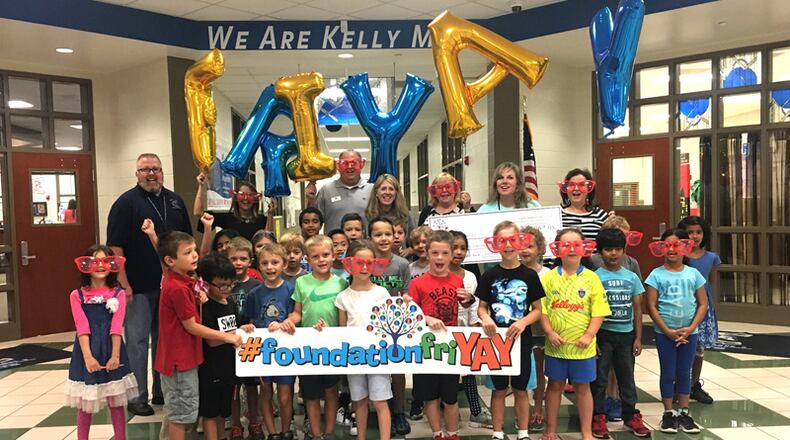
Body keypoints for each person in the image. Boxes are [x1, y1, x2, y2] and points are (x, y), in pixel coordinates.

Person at [107, 153, 192, 416]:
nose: (151, 174)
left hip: (171, 286)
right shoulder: (126, 203)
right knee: (138, 340)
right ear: (137, 174)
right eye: (145, 170)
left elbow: (187, 241)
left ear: (162, 172)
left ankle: (160, 390)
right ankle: (137, 396)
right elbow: (115, 247)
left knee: (164, 339)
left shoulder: (175, 201)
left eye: (155, 169)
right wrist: (123, 284)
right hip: (138, 286)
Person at [154, 231, 242, 440]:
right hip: (179, 361)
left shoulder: (185, 282)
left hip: (188, 358)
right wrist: (226, 336)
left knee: (187, 411)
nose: (194, 255)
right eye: (187, 252)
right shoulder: (177, 287)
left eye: (194, 250)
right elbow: (191, 326)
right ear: (170, 260)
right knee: (180, 415)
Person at [476, 222, 545, 440]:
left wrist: (523, 322)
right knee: (498, 389)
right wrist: (486, 317)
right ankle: (497, 432)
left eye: (512, 240)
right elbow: (481, 307)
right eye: (502, 241)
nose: (508, 245)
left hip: (521, 341)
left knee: (520, 389)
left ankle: (523, 433)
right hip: (496, 341)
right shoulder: (489, 275)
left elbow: (538, 310)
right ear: (495, 245)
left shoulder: (530, 275)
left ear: (520, 242)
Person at [540, 228, 610, 440]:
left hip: (583, 348)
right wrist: (549, 332)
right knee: (554, 386)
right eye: (566, 245)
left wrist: (589, 335)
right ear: (557, 249)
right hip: (556, 347)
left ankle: (586, 432)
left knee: (583, 388)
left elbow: (599, 312)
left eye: (576, 245)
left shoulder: (592, 278)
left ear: (584, 249)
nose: (571, 249)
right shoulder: (548, 278)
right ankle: (551, 430)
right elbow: (541, 310)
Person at [67, 245, 138, 440]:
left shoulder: (118, 294)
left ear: (113, 265)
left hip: (111, 348)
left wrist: (115, 355)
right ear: (85, 265)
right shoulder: (77, 295)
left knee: (116, 401)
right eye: (94, 261)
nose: (100, 265)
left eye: (105, 261)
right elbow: (82, 327)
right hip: (86, 350)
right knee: (86, 403)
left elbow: (116, 327)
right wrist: (88, 357)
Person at [406, 230, 471, 440]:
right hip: (425, 347)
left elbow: (465, 305)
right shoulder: (418, 282)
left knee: (450, 398)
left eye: (444, 253)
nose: (440, 258)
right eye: (435, 253)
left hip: (449, 347)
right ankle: (437, 434)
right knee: (430, 397)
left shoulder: (457, 281)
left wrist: (468, 299)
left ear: (452, 255)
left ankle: (452, 434)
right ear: (427, 254)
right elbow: (411, 313)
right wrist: (426, 318)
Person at [284, 235, 349, 440]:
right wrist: (288, 321)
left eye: (325, 255)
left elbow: (344, 317)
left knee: (331, 391)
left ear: (333, 256)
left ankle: (329, 433)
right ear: (308, 259)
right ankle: (316, 434)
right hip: (308, 347)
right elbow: (298, 313)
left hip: (333, 346)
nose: (321, 260)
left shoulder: (341, 283)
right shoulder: (301, 282)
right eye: (315, 256)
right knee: (311, 394)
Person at [645, 229, 708, 434]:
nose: (672, 249)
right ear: (661, 248)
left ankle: (684, 412)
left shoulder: (693, 274)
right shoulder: (656, 275)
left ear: (685, 247)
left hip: (690, 333)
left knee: (684, 372)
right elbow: (651, 306)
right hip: (665, 334)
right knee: (668, 372)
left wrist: (690, 329)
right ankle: (668, 413)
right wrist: (667, 330)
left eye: (676, 245)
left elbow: (702, 304)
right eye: (667, 245)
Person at [590, 228, 651, 439]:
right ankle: (598, 416)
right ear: (600, 252)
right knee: (599, 380)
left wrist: (638, 338)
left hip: (626, 336)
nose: (613, 253)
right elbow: (590, 310)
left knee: (627, 379)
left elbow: (638, 309)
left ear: (624, 250)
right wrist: (593, 338)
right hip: (603, 336)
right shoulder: (594, 277)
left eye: (617, 249)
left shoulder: (632, 277)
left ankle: (630, 415)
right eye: (608, 249)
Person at [335, 240, 393, 440]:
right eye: (359, 263)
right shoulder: (343, 297)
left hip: (378, 356)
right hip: (354, 356)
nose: (365, 268)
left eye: (369, 263)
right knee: (359, 400)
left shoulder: (382, 293)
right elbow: (342, 330)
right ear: (349, 264)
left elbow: (389, 325)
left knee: (380, 401)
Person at [241, 243, 296, 440]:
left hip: (286, 351)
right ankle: (272, 433)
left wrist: (286, 323)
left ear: (284, 264)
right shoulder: (254, 294)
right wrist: (248, 327)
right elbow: (249, 320)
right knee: (265, 392)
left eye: (275, 262)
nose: (270, 267)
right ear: (258, 266)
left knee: (285, 395)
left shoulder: (291, 290)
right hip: (263, 352)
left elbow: (295, 316)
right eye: (265, 263)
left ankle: (286, 430)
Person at [196, 253, 251, 440]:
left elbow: (235, 329)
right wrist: (233, 335)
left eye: (230, 284)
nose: (227, 289)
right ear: (206, 284)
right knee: (210, 412)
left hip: (228, 367)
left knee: (222, 411)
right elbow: (210, 340)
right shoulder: (205, 307)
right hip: (210, 368)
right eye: (222, 286)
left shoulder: (230, 302)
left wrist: (243, 329)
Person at [367, 216, 412, 436]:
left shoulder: (402, 264)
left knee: (397, 369)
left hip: (395, 325)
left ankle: (398, 411)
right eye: (378, 234)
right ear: (370, 237)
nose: (384, 238)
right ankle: (375, 410)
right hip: (369, 324)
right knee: (373, 369)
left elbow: (406, 293)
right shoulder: (366, 263)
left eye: (388, 234)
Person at [449, 230, 492, 429]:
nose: (458, 252)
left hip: (465, 331)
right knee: (446, 374)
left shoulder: (471, 277)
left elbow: (475, 307)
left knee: (468, 372)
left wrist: (475, 328)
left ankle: (475, 412)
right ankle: (448, 410)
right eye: (454, 248)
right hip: (443, 332)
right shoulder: (438, 274)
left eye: (463, 248)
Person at [677, 215, 721, 405]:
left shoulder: (712, 258)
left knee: (698, 349)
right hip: (682, 308)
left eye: (698, 232)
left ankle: (694, 384)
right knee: (680, 346)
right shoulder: (679, 257)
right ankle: (679, 384)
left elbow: (710, 282)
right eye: (689, 232)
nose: (694, 236)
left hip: (702, 309)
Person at [226, 237, 263, 440]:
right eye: (233, 259)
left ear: (250, 261)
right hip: (228, 342)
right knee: (234, 386)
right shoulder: (223, 285)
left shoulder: (257, 285)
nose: (238, 263)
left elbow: (260, 312)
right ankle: (235, 423)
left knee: (251, 385)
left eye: (242, 258)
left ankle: (254, 421)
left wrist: (252, 325)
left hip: (250, 342)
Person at [518, 225, 550, 433]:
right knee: (521, 372)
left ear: (540, 249)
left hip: (540, 330)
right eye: (521, 245)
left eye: (530, 246)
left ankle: (538, 408)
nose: (525, 250)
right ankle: (523, 409)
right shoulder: (514, 271)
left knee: (538, 370)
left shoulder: (547, 274)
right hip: (519, 330)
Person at [307, 150, 374, 233]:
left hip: (364, 241)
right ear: (338, 165)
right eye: (345, 163)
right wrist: (310, 200)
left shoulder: (372, 190)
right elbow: (314, 220)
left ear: (362, 164)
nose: (350, 166)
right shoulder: (326, 190)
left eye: (354, 163)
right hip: (333, 241)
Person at [194, 175, 274, 240]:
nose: (245, 199)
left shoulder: (261, 219)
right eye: (241, 195)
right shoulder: (226, 217)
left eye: (250, 195)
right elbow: (198, 213)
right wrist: (201, 185)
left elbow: (268, 239)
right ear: (236, 198)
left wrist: (270, 213)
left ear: (255, 199)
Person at [365, 173, 415, 239]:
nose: (387, 192)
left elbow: (413, 241)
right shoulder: (368, 216)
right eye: (383, 189)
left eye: (391, 189)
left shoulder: (406, 216)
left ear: (396, 193)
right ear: (376, 193)